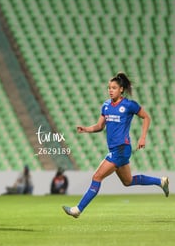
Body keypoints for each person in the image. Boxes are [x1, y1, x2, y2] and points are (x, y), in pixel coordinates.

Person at [63, 72, 169, 218]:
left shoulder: (129, 105)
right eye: (109, 88)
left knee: (97, 177)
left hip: (121, 148)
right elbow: (100, 126)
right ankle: (160, 182)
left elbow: (146, 117)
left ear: (121, 89)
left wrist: (142, 137)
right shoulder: (106, 106)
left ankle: (78, 210)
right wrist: (86, 129)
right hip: (116, 149)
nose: (110, 90)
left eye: (113, 88)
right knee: (128, 181)